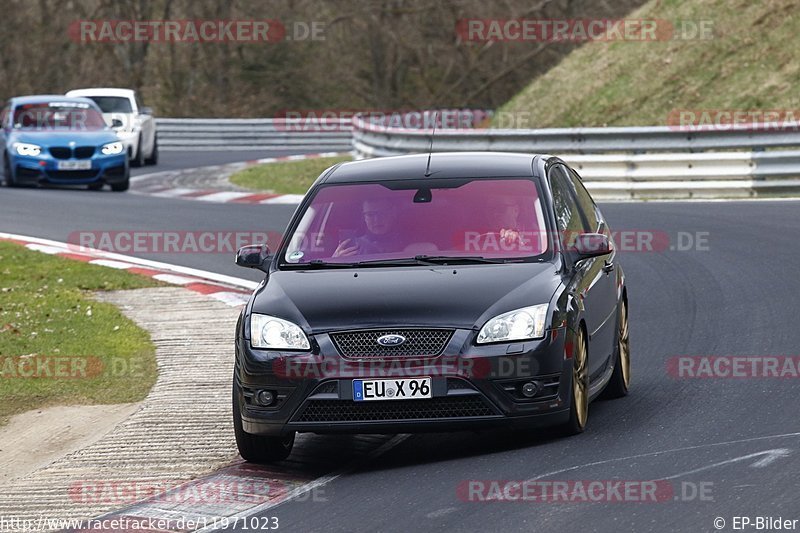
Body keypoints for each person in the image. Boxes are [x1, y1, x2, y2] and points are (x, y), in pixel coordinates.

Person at [332, 198, 405, 257]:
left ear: (393, 213)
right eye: (370, 215)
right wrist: (335, 260)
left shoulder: (408, 242)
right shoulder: (353, 246)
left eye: (382, 213)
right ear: (364, 218)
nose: (377, 219)